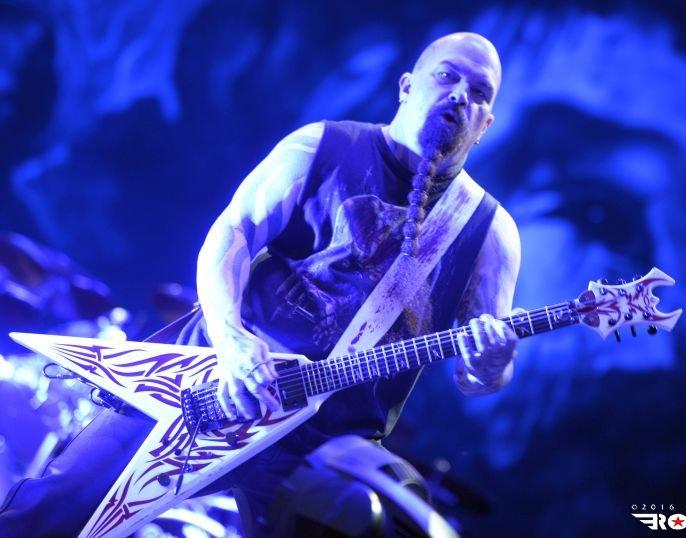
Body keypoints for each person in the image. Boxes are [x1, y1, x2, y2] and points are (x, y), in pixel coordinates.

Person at [0, 32, 521, 536]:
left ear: (486, 124)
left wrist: (492, 364)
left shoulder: (490, 233)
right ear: (407, 86)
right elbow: (231, 235)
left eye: (480, 93)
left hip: (326, 445)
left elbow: (476, 378)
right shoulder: (324, 145)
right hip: (211, 382)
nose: (461, 95)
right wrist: (232, 344)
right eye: (447, 76)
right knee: (48, 515)